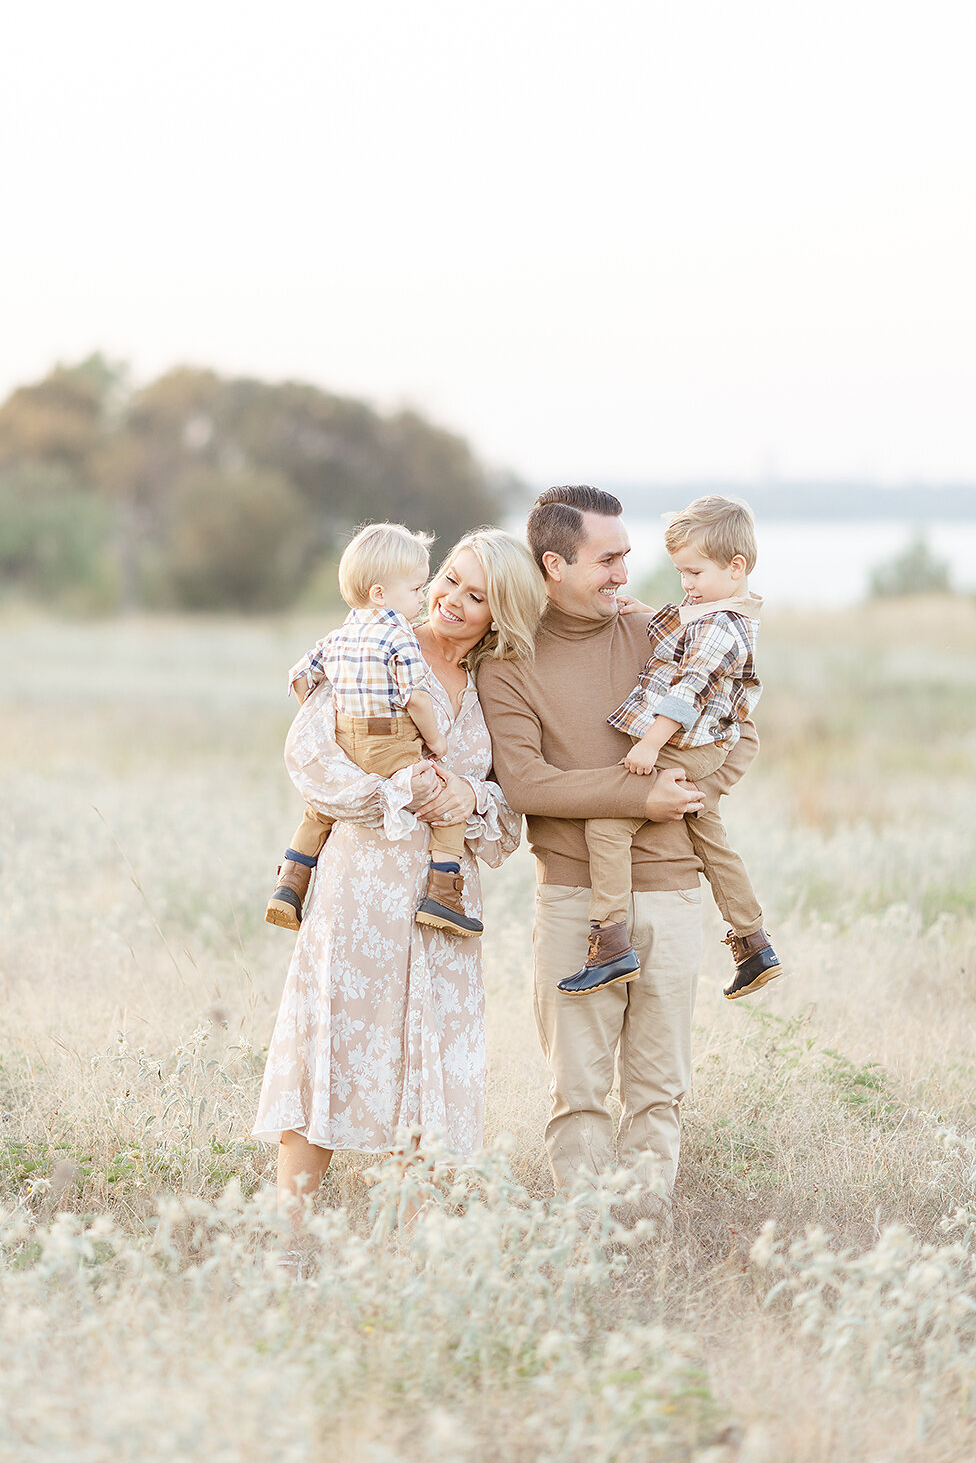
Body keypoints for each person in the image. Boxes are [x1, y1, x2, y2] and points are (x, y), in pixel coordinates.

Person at [477, 486, 759, 1200]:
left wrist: (690, 796)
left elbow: (739, 729)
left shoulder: (661, 632)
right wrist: (641, 797)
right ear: (553, 564)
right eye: (608, 560)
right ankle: (585, 1246)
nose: (623, 576)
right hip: (574, 900)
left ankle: (642, 1246)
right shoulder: (507, 662)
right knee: (578, 1092)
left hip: (671, 892)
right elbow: (527, 784)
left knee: (659, 1091)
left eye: (626, 558)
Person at [253, 529, 546, 1205]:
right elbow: (311, 760)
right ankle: (289, 1240)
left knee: (433, 1069)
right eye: (449, 580)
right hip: (358, 892)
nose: (451, 601)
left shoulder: (497, 688)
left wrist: (471, 794)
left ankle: (419, 1247)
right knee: (329, 1051)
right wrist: (398, 791)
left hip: (442, 904)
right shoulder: (377, 645)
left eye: (477, 597)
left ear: (499, 613)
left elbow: (508, 821)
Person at [559, 495, 781, 1003]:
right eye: (682, 573)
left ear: (736, 566)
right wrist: (647, 610)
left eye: (694, 573)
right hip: (701, 743)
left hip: (685, 744)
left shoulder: (720, 627)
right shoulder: (716, 610)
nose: (687, 585)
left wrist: (649, 746)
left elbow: (687, 691)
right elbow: (676, 628)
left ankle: (610, 940)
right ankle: (753, 943)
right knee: (711, 838)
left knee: (607, 823)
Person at [266, 522, 475, 940]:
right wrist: (435, 740)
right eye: (416, 589)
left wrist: (337, 713)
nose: (422, 597)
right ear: (381, 594)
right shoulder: (400, 638)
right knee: (445, 804)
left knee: (318, 812)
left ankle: (289, 886)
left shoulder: (339, 635)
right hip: (390, 739)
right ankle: (443, 895)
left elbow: (300, 677)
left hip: (346, 739)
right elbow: (416, 697)